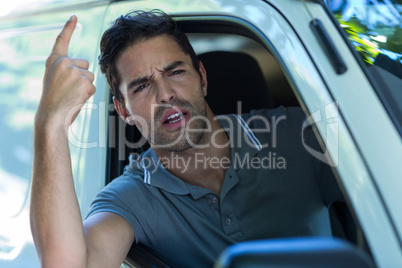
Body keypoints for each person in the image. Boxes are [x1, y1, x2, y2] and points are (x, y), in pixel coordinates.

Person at [30, 10, 343, 268]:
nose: (165, 94)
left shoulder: (297, 135)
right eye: (142, 86)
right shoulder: (131, 198)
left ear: (202, 78)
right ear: (124, 111)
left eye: (176, 72)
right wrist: (50, 125)